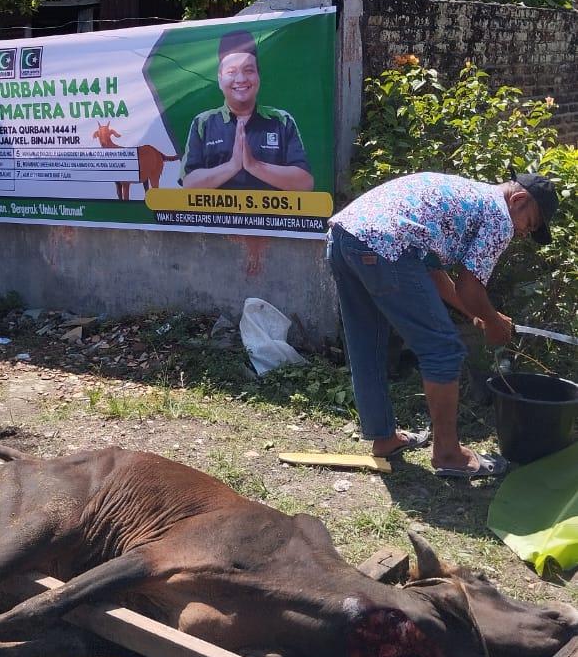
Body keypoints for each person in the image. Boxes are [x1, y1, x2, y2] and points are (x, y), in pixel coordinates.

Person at [327, 171, 559, 479]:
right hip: (385, 245)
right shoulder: (499, 216)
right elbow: (470, 287)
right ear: (518, 200)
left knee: (366, 345)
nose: (521, 233)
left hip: (347, 236)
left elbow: (434, 275)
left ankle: (383, 438)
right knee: (444, 350)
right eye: (528, 224)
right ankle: (449, 453)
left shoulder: (470, 197)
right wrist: (493, 321)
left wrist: (475, 314)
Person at [181, 28, 314, 191]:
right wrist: (232, 166)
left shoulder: (281, 121)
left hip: (271, 216)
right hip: (217, 217)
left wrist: (254, 166)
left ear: (259, 75)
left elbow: (305, 183)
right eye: (232, 72)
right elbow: (189, 184)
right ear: (220, 78)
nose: (241, 79)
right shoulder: (203, 123)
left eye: (248, 70)